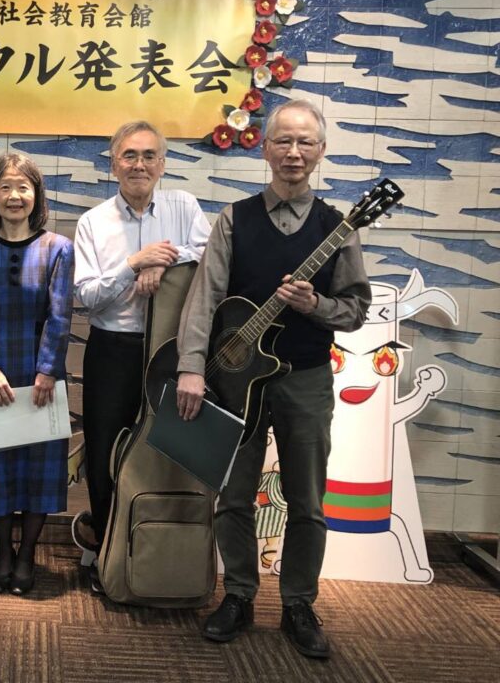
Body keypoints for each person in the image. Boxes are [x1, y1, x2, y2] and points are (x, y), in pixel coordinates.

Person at [176, 99, 371, 659]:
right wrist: (191, 367)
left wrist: (316, 305)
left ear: (321, 152)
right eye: (283, 140)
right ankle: (238, 593)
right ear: (264, 149)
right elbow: (204, 298)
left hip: (305, 378)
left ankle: (299, 603)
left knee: (307, 499)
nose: (293, 152)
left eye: (305, 142)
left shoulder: (339, 227)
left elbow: (355, 309)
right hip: (236, 381)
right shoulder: (234, 219)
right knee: (233, 495)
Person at [73, 120, 210, 587]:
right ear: (113, 164)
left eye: (149, 155)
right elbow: (87, 297)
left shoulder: (183, 206)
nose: (139, 164)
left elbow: (209, 260)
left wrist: (163, 262)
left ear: (163, 164)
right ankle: (106, 556)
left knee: (168, 452)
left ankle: (161, 556)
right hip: (113, 351)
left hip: (172, 353)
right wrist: (134, 264)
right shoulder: (93, 222)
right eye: (129, 155)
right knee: (104, 452)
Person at [0, 153, 75, 596]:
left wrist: (47, 370)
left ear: (36, 195)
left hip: (43, 373)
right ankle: (3, 554)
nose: (15, 196)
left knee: (39, 467)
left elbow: (60, 315)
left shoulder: (58, 248)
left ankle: (27, 554)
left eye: (23, 187)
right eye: (5, 187)